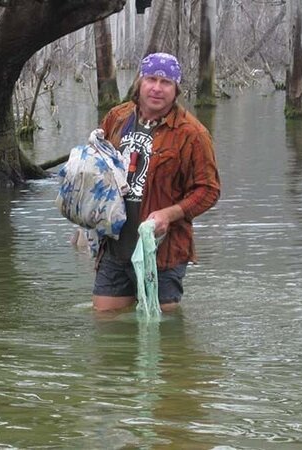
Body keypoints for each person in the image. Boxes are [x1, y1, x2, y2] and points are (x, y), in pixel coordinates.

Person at [92, 52, 220, 313]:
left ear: (176, 90)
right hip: (114, 248)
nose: (157, 88)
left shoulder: (192, 134)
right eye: (151, 79)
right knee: (106, 329)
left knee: (164, 336)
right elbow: (96, 165)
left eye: (166, 83)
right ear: (140, 81)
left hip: (163, 254)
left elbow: (208, 190)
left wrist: (169, 214)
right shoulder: (117, 118)